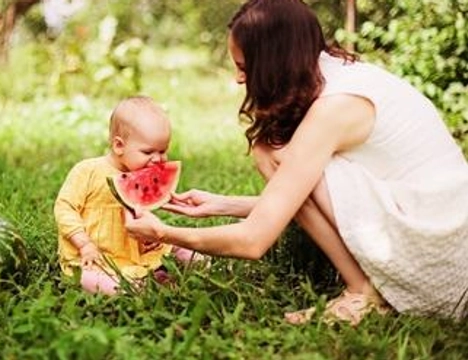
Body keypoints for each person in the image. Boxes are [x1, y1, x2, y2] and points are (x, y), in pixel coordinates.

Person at [123, 0, 468, 325]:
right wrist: (222, 205)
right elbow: (315, 195)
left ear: (273, 63)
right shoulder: (332, 72)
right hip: (439, 233)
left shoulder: (336, 108)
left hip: (440, 261)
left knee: (272, 151)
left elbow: (253, 241)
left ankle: (363, 293)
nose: (238, 79)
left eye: (244, 67)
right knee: (276, 151)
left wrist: (165, 233)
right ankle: (366, 286)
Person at [54, 95, 207, 295]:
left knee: (183, 250)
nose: (158, 160)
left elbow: (140, 220)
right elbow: (64, 207)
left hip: (138, 253)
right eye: (148, 152)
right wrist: (84, 243)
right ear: (119, 146)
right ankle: (138, 286)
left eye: (163, 151)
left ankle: (179, 271)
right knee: (89, 279)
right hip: (93, 256)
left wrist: (151, 239)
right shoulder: (86, 171)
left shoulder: (139, 174)